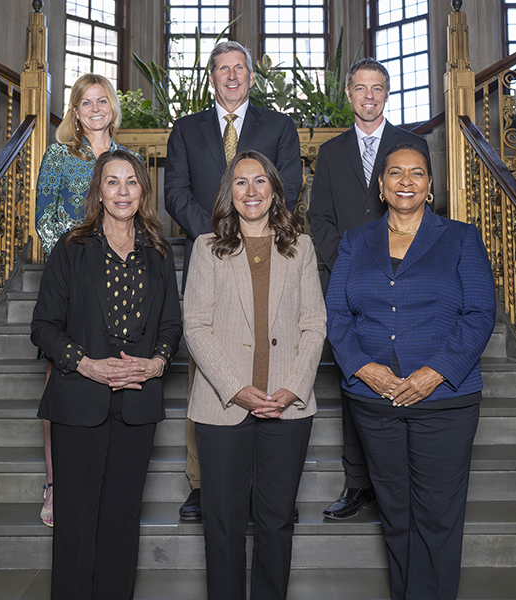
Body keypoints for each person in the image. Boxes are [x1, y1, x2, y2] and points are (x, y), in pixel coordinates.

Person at [325, 142, 496, 600]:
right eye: (395, 173)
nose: (405, 180)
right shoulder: (354, 241)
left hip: (444, 401)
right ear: (381, 187)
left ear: (430, 187)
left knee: (437, 517)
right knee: (396, 514)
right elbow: (337, 315)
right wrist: (364, 368)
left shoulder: (461, 238)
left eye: (416, 173)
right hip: (374, 401)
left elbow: (480, 313)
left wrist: (435, 372)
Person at [31, 149, 182, 600]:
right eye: (112, 182)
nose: (122, 191)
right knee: (76, 526)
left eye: (131, 182)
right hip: (78, 402)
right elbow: (42, 327)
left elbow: (172, 325)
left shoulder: (158, 252)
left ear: (143, 191)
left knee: (122, 521)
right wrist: (86, 364)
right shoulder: (72, 249)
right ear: (99, 190)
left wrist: (157, 362)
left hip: (137, 405)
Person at [165, 40, 302, 522]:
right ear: (212, 77)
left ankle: (267, 480)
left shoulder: (280, 127)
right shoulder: (186, 130)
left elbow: (287, 184)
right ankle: (203, 482)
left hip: (270, 256)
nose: (231, 76)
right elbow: (174, 192)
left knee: (271, 349)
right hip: (211, 258)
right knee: (205, 365)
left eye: (239, 68)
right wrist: (221, 234)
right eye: (222, 69)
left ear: (250, 75)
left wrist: (250, 230)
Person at [183, 150, 325, 600]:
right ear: (230, 192)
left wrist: (292, 388)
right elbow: (196, 327)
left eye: (260, 181)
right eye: (241, 182)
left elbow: (313, 323)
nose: (251, 191)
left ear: (274, 191)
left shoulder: (300, 247)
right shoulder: (207, 248)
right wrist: (237, 388)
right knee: (222, 524)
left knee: (277, 520)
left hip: (288, 404)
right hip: (222, 406)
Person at [309, 58, 431, 520]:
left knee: (403, 374)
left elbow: (420, 209)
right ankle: (358, 483)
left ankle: (398, 486)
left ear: (387, 93)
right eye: (360, 88)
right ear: (349, 94)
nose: (369, 96)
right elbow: (318, 217)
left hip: (406, 282)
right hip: (350, 281)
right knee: (357, 379)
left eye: (377, 88)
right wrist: (346, 265)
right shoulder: (332, 152)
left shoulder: (411, 145)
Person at [34, 73, 141, 526]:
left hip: (122, 283)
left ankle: (105, 480)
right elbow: (46, 217)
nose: (95, 109)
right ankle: (56, 482)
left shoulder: (129, 159)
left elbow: (142, 217)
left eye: (103, 101)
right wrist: (80, 263)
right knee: (59, 381)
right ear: (75, 112)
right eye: (85, 102)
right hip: (73, 280)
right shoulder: (60, 155)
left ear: (112, 108)